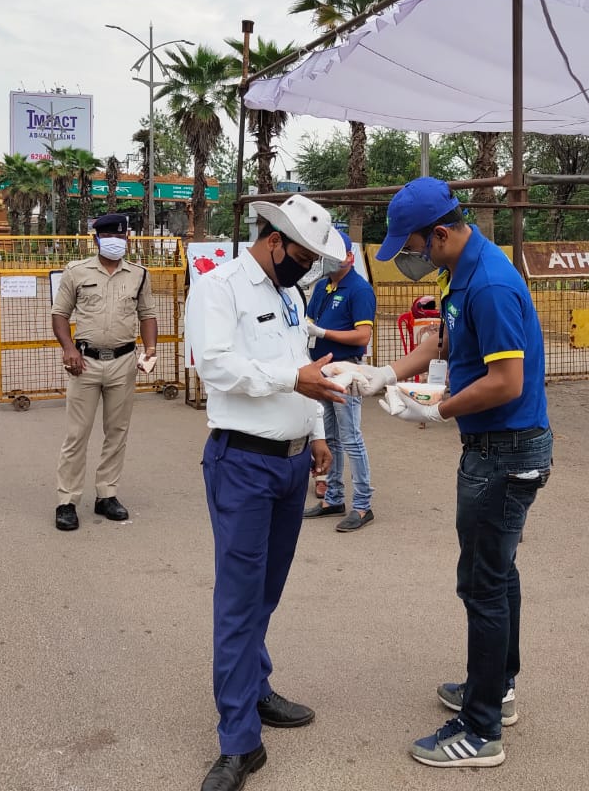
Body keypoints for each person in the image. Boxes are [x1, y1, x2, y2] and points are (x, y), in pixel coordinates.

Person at [350, 177, 551, 769]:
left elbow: (506, 382)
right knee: (498, 573)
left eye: (410, 246)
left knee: (482, 584)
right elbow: (441, 342)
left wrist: (435, 410)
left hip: (504, 452)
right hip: (497, 448)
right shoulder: (460, 271)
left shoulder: (486, 283)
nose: (407, 258)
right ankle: (498, 687)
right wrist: (386, 375)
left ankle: (482, 730)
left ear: (440, 233)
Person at [184, 194, 348, 791]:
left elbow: (306, 363)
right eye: (303, 256)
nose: (307, 267)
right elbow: (217, 369)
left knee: (265, 594)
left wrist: (318, 432)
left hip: (291, 462)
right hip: (242, 465)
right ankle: (238, 742)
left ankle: (255, 689)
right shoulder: (218, 287)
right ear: (274, 241)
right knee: (237, 601)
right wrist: (292, 380)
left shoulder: (289, 294)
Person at [50, 213, 157, 532]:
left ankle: (106, 494)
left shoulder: (139, 274)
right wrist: (68, 348)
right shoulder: (76, 271)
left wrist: (150, 349)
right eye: (109, 234)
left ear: (128, 239)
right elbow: (59, 314)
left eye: (121, 235)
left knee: (117, 431)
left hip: (124, 363)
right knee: (76, 434)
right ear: (96, 239)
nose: (116, 240)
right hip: (85, 362)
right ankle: (66, 501)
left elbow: (147, 314)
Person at [302, 228, 378, 532]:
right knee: (329, 437)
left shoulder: (359, 290)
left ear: (349, 257)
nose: (327, 261)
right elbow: (310, 319)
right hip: (320, 368)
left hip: (346, 370)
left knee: (351, 438)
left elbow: (363, 334)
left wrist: (323, 333)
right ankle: (333, 497)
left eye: (333, 256)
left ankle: (363, 505)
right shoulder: (323, 287)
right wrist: (309, 328)